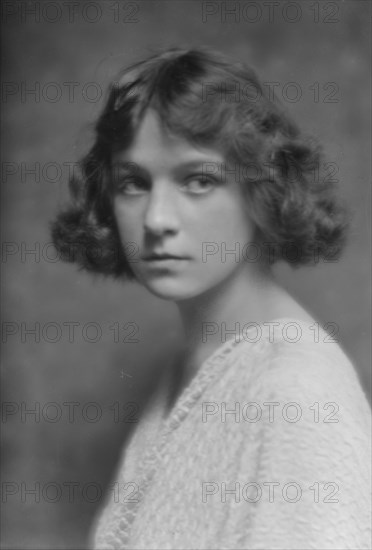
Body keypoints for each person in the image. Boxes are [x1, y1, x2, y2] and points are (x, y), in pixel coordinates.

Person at [51, 48, 371, 550]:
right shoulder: (194, 366)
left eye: (198, 180)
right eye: (133, 182)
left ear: (263, 189)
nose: (157, 219)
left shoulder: (296, 394)